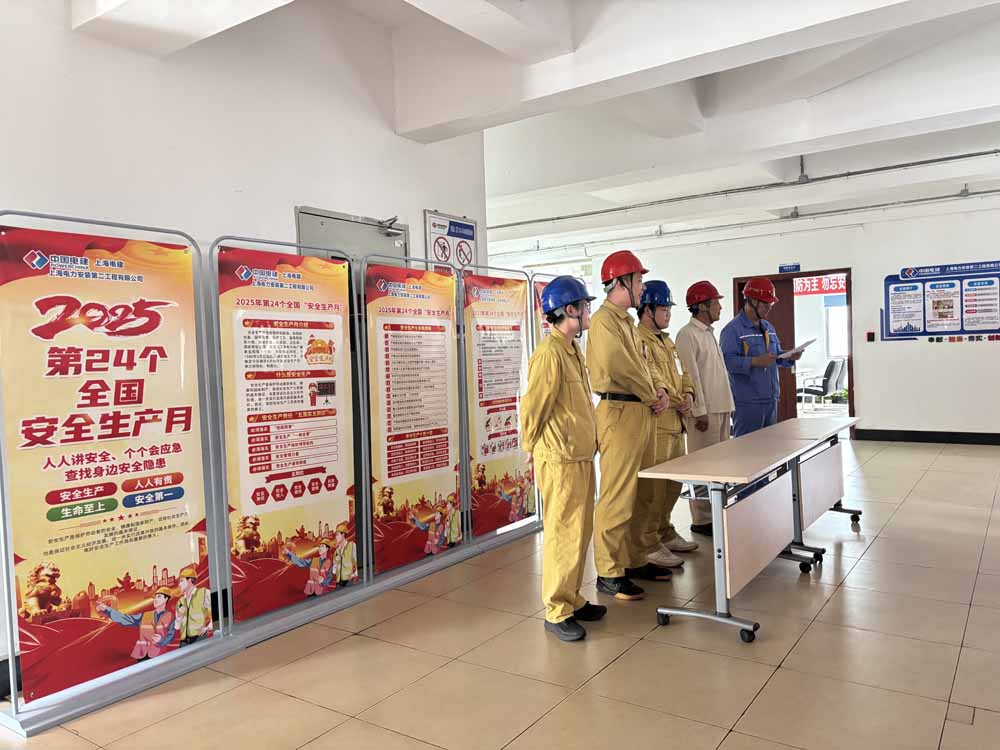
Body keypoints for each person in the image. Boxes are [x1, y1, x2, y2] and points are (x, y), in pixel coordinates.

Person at [521, 275, 606, 642]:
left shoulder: (571, 350)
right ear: (569, 310)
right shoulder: (549, 354)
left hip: (579, 456)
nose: (588, 312)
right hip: (559, 459)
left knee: (580, 531)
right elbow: (533, 407)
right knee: (562, 533)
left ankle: (572, 597)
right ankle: (556, 610)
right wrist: (530, 448)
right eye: (584, 306)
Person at [587, 250, 671, 599]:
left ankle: (634, 559)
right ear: (620, 282)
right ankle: (609, 570)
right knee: (618, 495)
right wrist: (652, 394)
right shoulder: (603, 321)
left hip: (642, 411)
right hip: (619, 412)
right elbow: (619, 366)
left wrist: (661, 389)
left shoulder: (627, 324)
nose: (642, 287)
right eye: (638, 280)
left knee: (644, 493)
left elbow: (648, 364)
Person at [634, 281, 699, 567]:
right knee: (654, 491)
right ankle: (648, 543)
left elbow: (684, 373)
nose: (668, 313)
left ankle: (665, 532)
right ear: (647, 310)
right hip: (657, 425)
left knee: (673, 486)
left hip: (676, 424)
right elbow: (650, 381)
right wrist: (675, 399)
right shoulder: (639, 340)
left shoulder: (667, 342)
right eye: (663, 309)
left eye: (668, 309)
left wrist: (689, 393)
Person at [675, 280, 735, 537]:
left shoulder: (708, 333)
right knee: (702, 467)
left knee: (719, 466)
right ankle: (701, 519)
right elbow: (691, 376)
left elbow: (717, 374)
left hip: (720, 408)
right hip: (704, 413)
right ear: (702, 306)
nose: (720, 307)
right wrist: (698, 410)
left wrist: (729, 405)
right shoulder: (686, 335)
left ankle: (716, 514)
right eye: (716, 303)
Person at [720, 277, 801, 437]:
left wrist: (789, 356)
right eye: (766, 304)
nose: (769, 308)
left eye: (771, 304)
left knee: (768, 446)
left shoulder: (768, 327)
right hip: (747, 403)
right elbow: (727, 362)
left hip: (770, 399)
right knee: (747, 448)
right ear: (752, 301)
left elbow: (775, 356)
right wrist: (754, 361)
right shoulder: (732, 330)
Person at [97, 586, 175, 662]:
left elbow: (171, 636)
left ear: (166, 599)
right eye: (155, 597)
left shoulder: (170, 616)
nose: (155, 599)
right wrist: (107, 609)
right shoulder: (145, 615)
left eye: (159, 597)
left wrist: (161, 640)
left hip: (158, 656)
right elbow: (124, 619)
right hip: (141, 656)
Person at [175, 565, 212, 646]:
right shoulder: (180, 601)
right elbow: (177, 627)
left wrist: (208, 628)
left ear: (189, 580)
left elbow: (218, 612)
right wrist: (180, 615)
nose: (179, 584)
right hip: (184, 642)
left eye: (181, 581)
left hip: (200, 638)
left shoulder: (204, 593)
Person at [332, 523, 359, 587]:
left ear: (343, 534)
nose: (336, 537)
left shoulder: (351, 545)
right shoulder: (336, 551)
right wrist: (336, 564)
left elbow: (356, 561)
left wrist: (354, 575)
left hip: (350, 581)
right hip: (339, 582)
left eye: (337, 535)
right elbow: (334, 571)